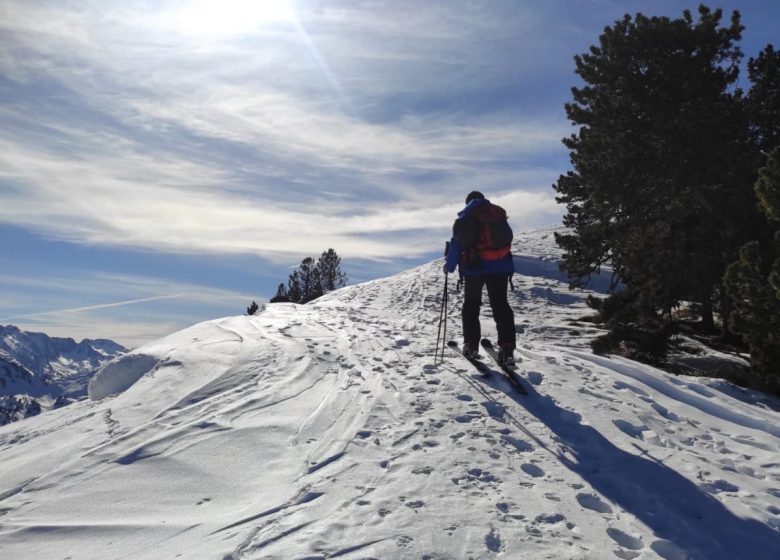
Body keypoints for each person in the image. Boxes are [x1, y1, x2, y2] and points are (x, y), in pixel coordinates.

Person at [444, 191, 516, 366]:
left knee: (471, 305)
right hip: (499, 268)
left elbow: (456, 244)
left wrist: (450, 266)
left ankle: (471, 345)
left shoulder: (467, 218)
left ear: (468, 202)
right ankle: (507, 348)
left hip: (474, 269)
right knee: (501, 306)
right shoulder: (496, 215)